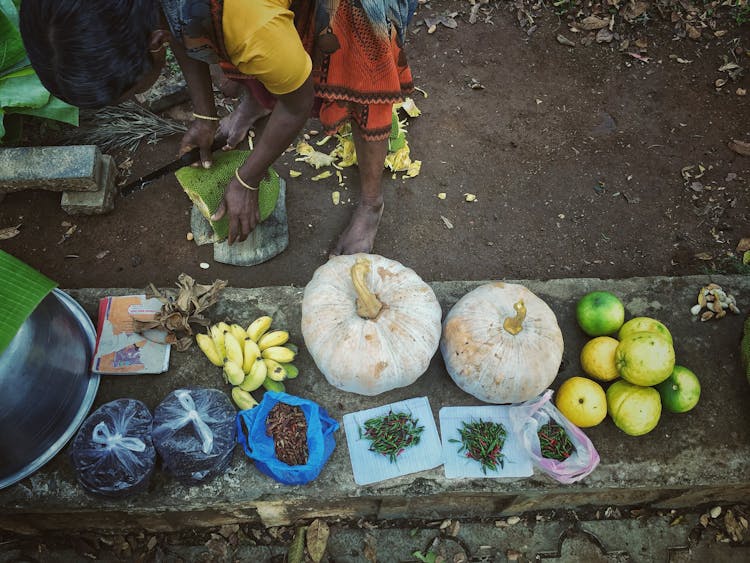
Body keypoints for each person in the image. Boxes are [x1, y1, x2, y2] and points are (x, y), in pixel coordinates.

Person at [19, 0, 417, 254]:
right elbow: (172, 25)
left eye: (130, 93)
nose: (135, 100)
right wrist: (204, 116)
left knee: (364, 86)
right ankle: (255, 106)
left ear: (152, 44)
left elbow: (297, 106)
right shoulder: (143, 13)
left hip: (338, 10)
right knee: (260, 56)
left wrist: (247, 179)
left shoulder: (250, 28)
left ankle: (371, 204)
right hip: (252, 20)